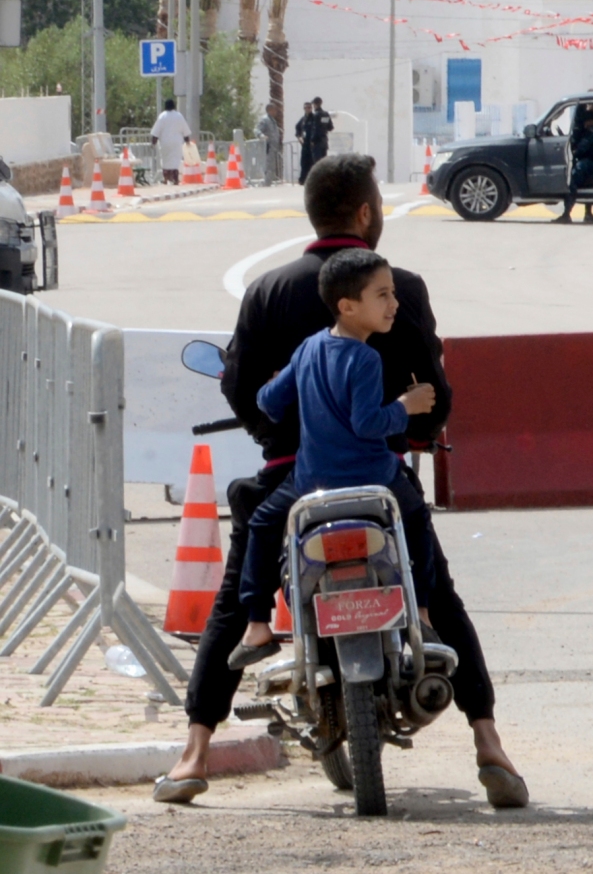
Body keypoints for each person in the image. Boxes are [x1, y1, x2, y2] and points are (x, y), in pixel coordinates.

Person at [153, 154, 525, 809]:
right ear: (364, 212)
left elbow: (245, 390)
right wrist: (404, 429)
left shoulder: (268, 291)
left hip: (291, 480)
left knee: (231, 607)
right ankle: (489, 744)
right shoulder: (398, 287)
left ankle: (192, 754)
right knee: (438, 592)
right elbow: (433, 395)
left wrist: (281, 441)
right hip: (378, 481)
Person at [225, 251, 441, 666]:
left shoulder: (308, 349)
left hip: (311, 482)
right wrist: (406, 406)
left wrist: (276, 385)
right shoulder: (366, 358)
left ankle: (256, 625)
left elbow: (268, 403)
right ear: (347, 306)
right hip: (374, 479)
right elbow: (367, 424)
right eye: (382, 295)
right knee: (415, 520)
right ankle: (425, 614)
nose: (393, 304)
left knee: (264, 524)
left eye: (392, 293)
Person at [556, 102, 593, 224]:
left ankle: (566, 213)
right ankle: (588, 213)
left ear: (589, 121)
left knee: (575, 175)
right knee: (583, 174)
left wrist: (573, 153)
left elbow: (583, 147)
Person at [151, 98, 191, 185]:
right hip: (177, 142)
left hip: (165, 142)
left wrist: (153, 142)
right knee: (176, 160)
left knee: (165, 160)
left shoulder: (162, 116)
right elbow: (185, 131)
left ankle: (166, 179)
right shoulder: (179, 116)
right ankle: (175, 179)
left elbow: (156, 131)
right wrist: (188, 141)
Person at [296, 99, 334, 183]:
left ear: (314, 105)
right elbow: (330, 127)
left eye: (310, 106)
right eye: (307, 107)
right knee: (306, 163)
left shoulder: (315, 116)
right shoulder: (324, 114)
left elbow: (316, 129)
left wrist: (313, 140)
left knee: (316, 163)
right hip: (314, 143)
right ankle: (304, 179)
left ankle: (318, 180)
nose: (309, 108)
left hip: (315, 143)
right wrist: (299, 136)